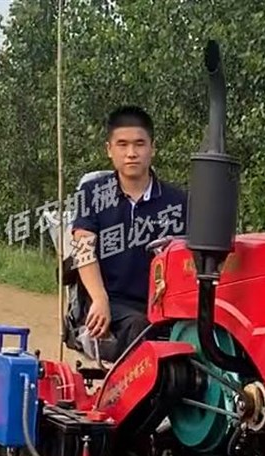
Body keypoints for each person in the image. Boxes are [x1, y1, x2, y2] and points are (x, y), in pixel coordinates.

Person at [70, 105, 188, 360]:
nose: (131, 153)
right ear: (109, 149)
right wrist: (99, 299)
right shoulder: (91, 194)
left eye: (139, 144)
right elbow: (83, 250)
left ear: (152, 148)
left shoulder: (178, 202)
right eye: (122, 144)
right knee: (140, 326)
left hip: (161, 304)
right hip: (108, 300)